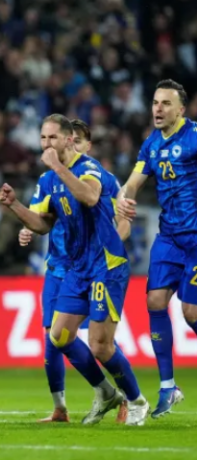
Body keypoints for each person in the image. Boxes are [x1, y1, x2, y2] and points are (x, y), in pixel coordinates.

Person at [0, 114, 149, 426]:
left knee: (100, 346)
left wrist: (57, 167)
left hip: (105, 265)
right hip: (77, 268)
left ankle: (136, 400)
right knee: (59, 336)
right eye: (43, 138)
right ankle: (106, 393)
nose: (47, 144)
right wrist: (14, 206)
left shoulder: (89, 169)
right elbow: (42, 225)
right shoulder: (48, 180)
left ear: (68, 140)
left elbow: (90, 197)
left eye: (53, 137)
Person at [117, 79, 195, 418]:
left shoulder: (194, 137)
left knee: (191, 312)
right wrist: (123, 200)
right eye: (154, 103)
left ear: (181, 109)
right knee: (155, 301)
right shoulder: (151, 144)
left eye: (165, 103)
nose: (158, 109)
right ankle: (167, 387)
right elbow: (133, 182)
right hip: (169, 237)